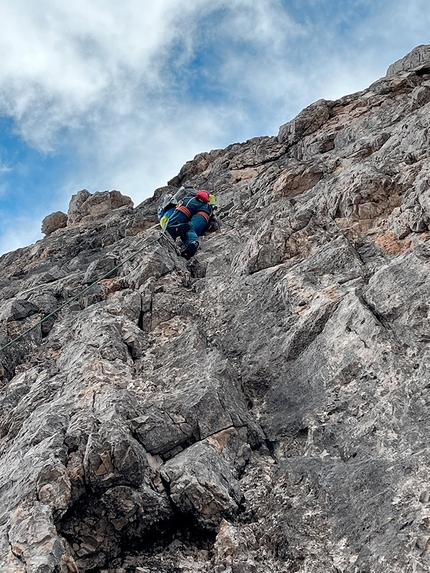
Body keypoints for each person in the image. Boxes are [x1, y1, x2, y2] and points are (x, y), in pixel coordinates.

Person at [160, 190, 215, 259]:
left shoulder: (165, 210)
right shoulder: (209, 203)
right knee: (191, 228)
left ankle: (176, 228)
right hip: (206, 210)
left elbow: (165, 219)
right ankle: (193, 243)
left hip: (190, 203)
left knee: (170, 226)